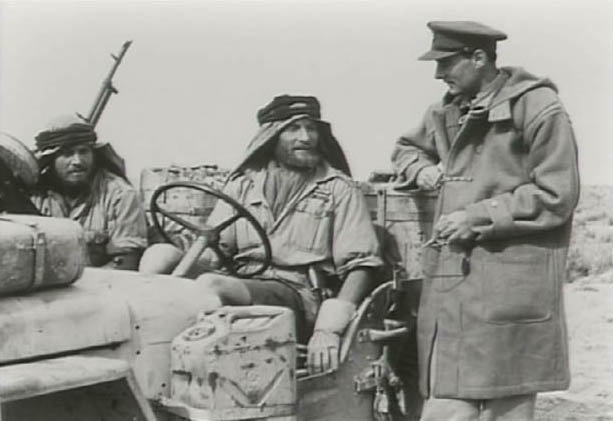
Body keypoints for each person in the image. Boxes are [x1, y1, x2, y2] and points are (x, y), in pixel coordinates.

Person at [391, 21, 580, 420]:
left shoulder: (537, 106)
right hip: (453, 285)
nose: (438, 74)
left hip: (509, 287)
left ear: (478, 58)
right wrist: (420, 169)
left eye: (446, 63)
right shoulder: (446, 111)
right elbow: (406, 148)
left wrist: (476, 217)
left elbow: (557, 194)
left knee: (504, 402)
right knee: (446, 399)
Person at [140, 95, 383, 373]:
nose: (306, 137)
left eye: (311, 128)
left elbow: (362, 266)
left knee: (211, 285)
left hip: (297, 294)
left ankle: (181, 365)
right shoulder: (243, 184)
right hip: (241, 279)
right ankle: (150, 352)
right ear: (271, 136)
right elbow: (218, 249)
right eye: (293, 129)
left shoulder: (338, 189)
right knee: (159, 256)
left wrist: (329, 329)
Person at [31, 114, 148, 270]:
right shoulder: (34, 195)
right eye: (67, 154)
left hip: (100, 282)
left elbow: (127, 260)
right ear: (51, 159)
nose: (77, 161)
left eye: (84, 152)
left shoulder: (120, 194)